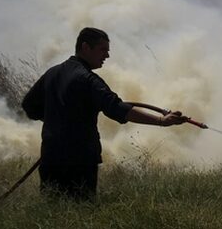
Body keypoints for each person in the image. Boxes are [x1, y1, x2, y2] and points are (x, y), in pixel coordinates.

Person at [21, 27, 189, 201]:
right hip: (80, 162)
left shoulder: (52, 73)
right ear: (86, 47)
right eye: (103, 50)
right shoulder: (88, 80)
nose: (107, 56)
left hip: (51, 157)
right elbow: (117, 109)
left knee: (52, 211)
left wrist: (55, 119)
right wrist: (162, 121)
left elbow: (29, 106)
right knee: (81, 211)